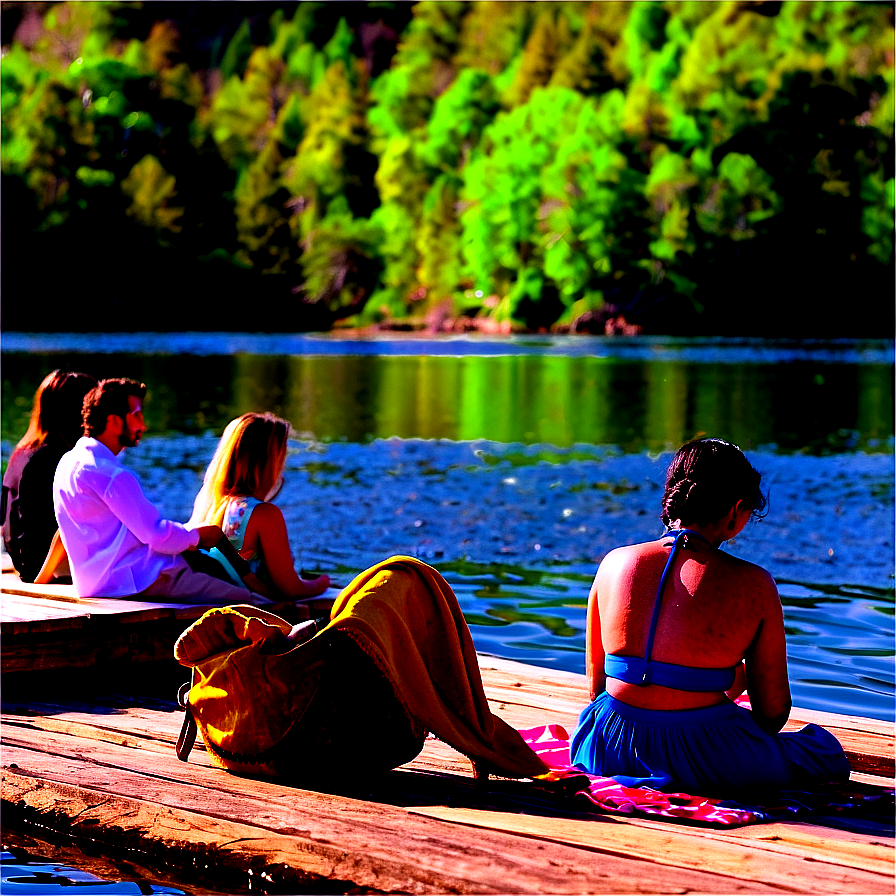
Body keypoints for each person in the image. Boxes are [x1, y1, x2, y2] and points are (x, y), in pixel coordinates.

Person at [570, 437, 850, 796]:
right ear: (735, 510)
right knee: (820, 750)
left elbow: (597, 691)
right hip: (710, 760)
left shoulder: (613, 563)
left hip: (608, 749)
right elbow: (772, 714)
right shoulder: (754, 584)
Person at [50, 377, 272, 605]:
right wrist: (196, 535)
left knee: (208, 570)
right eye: (136, 415)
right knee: (245, 599)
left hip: (94, 583)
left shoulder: (68, 463)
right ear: (114, 421)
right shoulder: (110, 474)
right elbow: (155, 535)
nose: (143, 425)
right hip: (135, 581)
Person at [189, 413, 330, 599]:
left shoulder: (211, 502)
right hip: (257, 610)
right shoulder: (264, 515)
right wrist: (322, 584)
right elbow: (291, 589)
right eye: (281, 458)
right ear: (267, 463)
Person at [1, 370, 97, 582]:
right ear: (78, 410)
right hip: (44, 566)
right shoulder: (54, 458)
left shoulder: (23, 452)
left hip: (25, 561)